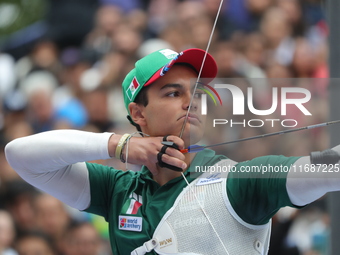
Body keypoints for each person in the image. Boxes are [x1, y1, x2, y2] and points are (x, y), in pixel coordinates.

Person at [5, 48, 340, 255]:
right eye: (172, 93)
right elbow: (20, 155)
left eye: (195, 92)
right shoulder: (118, 191)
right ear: (138, 114)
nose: (191, 101)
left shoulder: (239, 182)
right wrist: (119, 145)